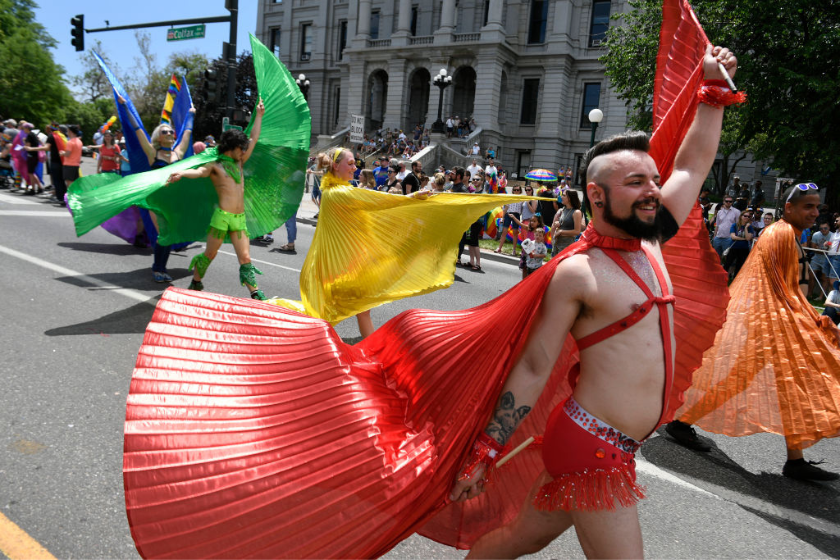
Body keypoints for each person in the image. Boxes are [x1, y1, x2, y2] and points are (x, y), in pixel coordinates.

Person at [449, 44, 737, 559]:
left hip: (615, 446)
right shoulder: (577, 273)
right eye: (636, 182)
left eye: (653, 178)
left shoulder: (652, 238)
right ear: (596, 196)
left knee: (521, 539)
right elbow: (535, 367)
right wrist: (486, 451)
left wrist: (712, 92)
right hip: (594, 447)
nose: (654, 190)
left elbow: (693, 165)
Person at [667, 182, 840, 481]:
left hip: (768, 323)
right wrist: (813, 319)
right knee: (789, 382)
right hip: (767, 324)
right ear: (788, 208)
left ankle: (794, 458)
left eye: (816, 207)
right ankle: (681, 420)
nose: (815, 213)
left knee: (782, 385)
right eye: (808, 207)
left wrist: (811, 317)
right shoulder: (782, 233)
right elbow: (781, 291)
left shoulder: (785, 233)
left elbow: (785, 291)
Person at [165, 99, 266, 300]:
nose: (244, 150)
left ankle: (254, 292)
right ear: (231, 147)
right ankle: (196, 281)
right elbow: (199, 171)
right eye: (241, 147)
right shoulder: (215, 165)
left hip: (239, 219)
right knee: (210, 254)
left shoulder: (239, 162)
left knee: (245, 257)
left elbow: (254, 138)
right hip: (221, 218)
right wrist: (182, 173)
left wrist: (260, 115)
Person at [119, 94, 195, 283]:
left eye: (170, 132)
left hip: (175, 201)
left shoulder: (178, 153)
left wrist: (191, 113)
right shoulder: (153, 153)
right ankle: (157, 268)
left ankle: (161, 268)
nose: (170, 134)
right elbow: (138, 130)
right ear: (158, 138)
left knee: (169, 235)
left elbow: (186, 132)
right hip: (157, 200)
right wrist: (126, 105)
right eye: (165, 132)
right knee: (164, 233)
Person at [550, 189, 583, 256]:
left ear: (569, 198)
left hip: (566, 244)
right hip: (557, 243)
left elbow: (577, 231)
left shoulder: (576, 212)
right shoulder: (563, 209)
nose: (561, 197)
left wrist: (561, 231)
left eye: (564, 195)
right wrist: (558, 224)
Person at [723, 210, 754, 280]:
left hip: (744, 249)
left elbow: (748, 238)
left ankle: (735, 280)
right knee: (727, 264)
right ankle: (722, 279)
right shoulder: (735, 225)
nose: (746, 217)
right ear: (741, 216)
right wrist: (744, 239)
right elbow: (733, 237)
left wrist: (746, 228)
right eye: (745, 216)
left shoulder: (749, 227)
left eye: (748, 216)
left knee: (739, 266)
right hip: (734, 247)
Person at [495, 184, 523, 255]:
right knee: (504, 232)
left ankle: (514, 250)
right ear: (513, 191)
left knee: (515, 233)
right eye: (515, 190)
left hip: (516, 215)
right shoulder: (509, 198)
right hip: (508, 214)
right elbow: (505, 209)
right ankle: (499, 248)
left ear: (520, 191)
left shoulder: (522, 199)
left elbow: (522, 210)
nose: (516, 191)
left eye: (518, 190)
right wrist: (502, 218)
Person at [711, 194, 739, 260]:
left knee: (727, 257)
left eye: (730, 201)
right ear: (723, 202)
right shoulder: (719, 212)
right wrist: (715, 236)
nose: (728, 203)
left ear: (732, 202)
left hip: (729, 238)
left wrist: (735, 237)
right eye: (727, 201)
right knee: (716, 257)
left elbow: (738, 225)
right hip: (718, 237)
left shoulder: (736, 212)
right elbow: (717, 225)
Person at [60, 125, 83, 195]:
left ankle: (70, 199)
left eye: (68, 131)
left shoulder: (70, 142)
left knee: (69, 183)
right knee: (74, 183)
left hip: (69, 164)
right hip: (76, 165)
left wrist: (62, 153)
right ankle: (75, 197)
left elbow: (67, 154)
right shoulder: (79, 141)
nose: (67, 132)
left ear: (70, 131)